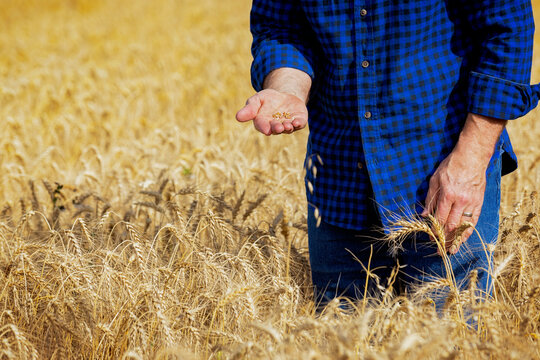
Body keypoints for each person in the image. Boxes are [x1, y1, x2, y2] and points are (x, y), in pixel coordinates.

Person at [236, 0, 540, 307]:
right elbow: (281, 26)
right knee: (340, 345)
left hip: (443, 175)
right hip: (339, 176)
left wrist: (471, 161)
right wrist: (288, 87)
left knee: (448, 343)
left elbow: (507, 27)